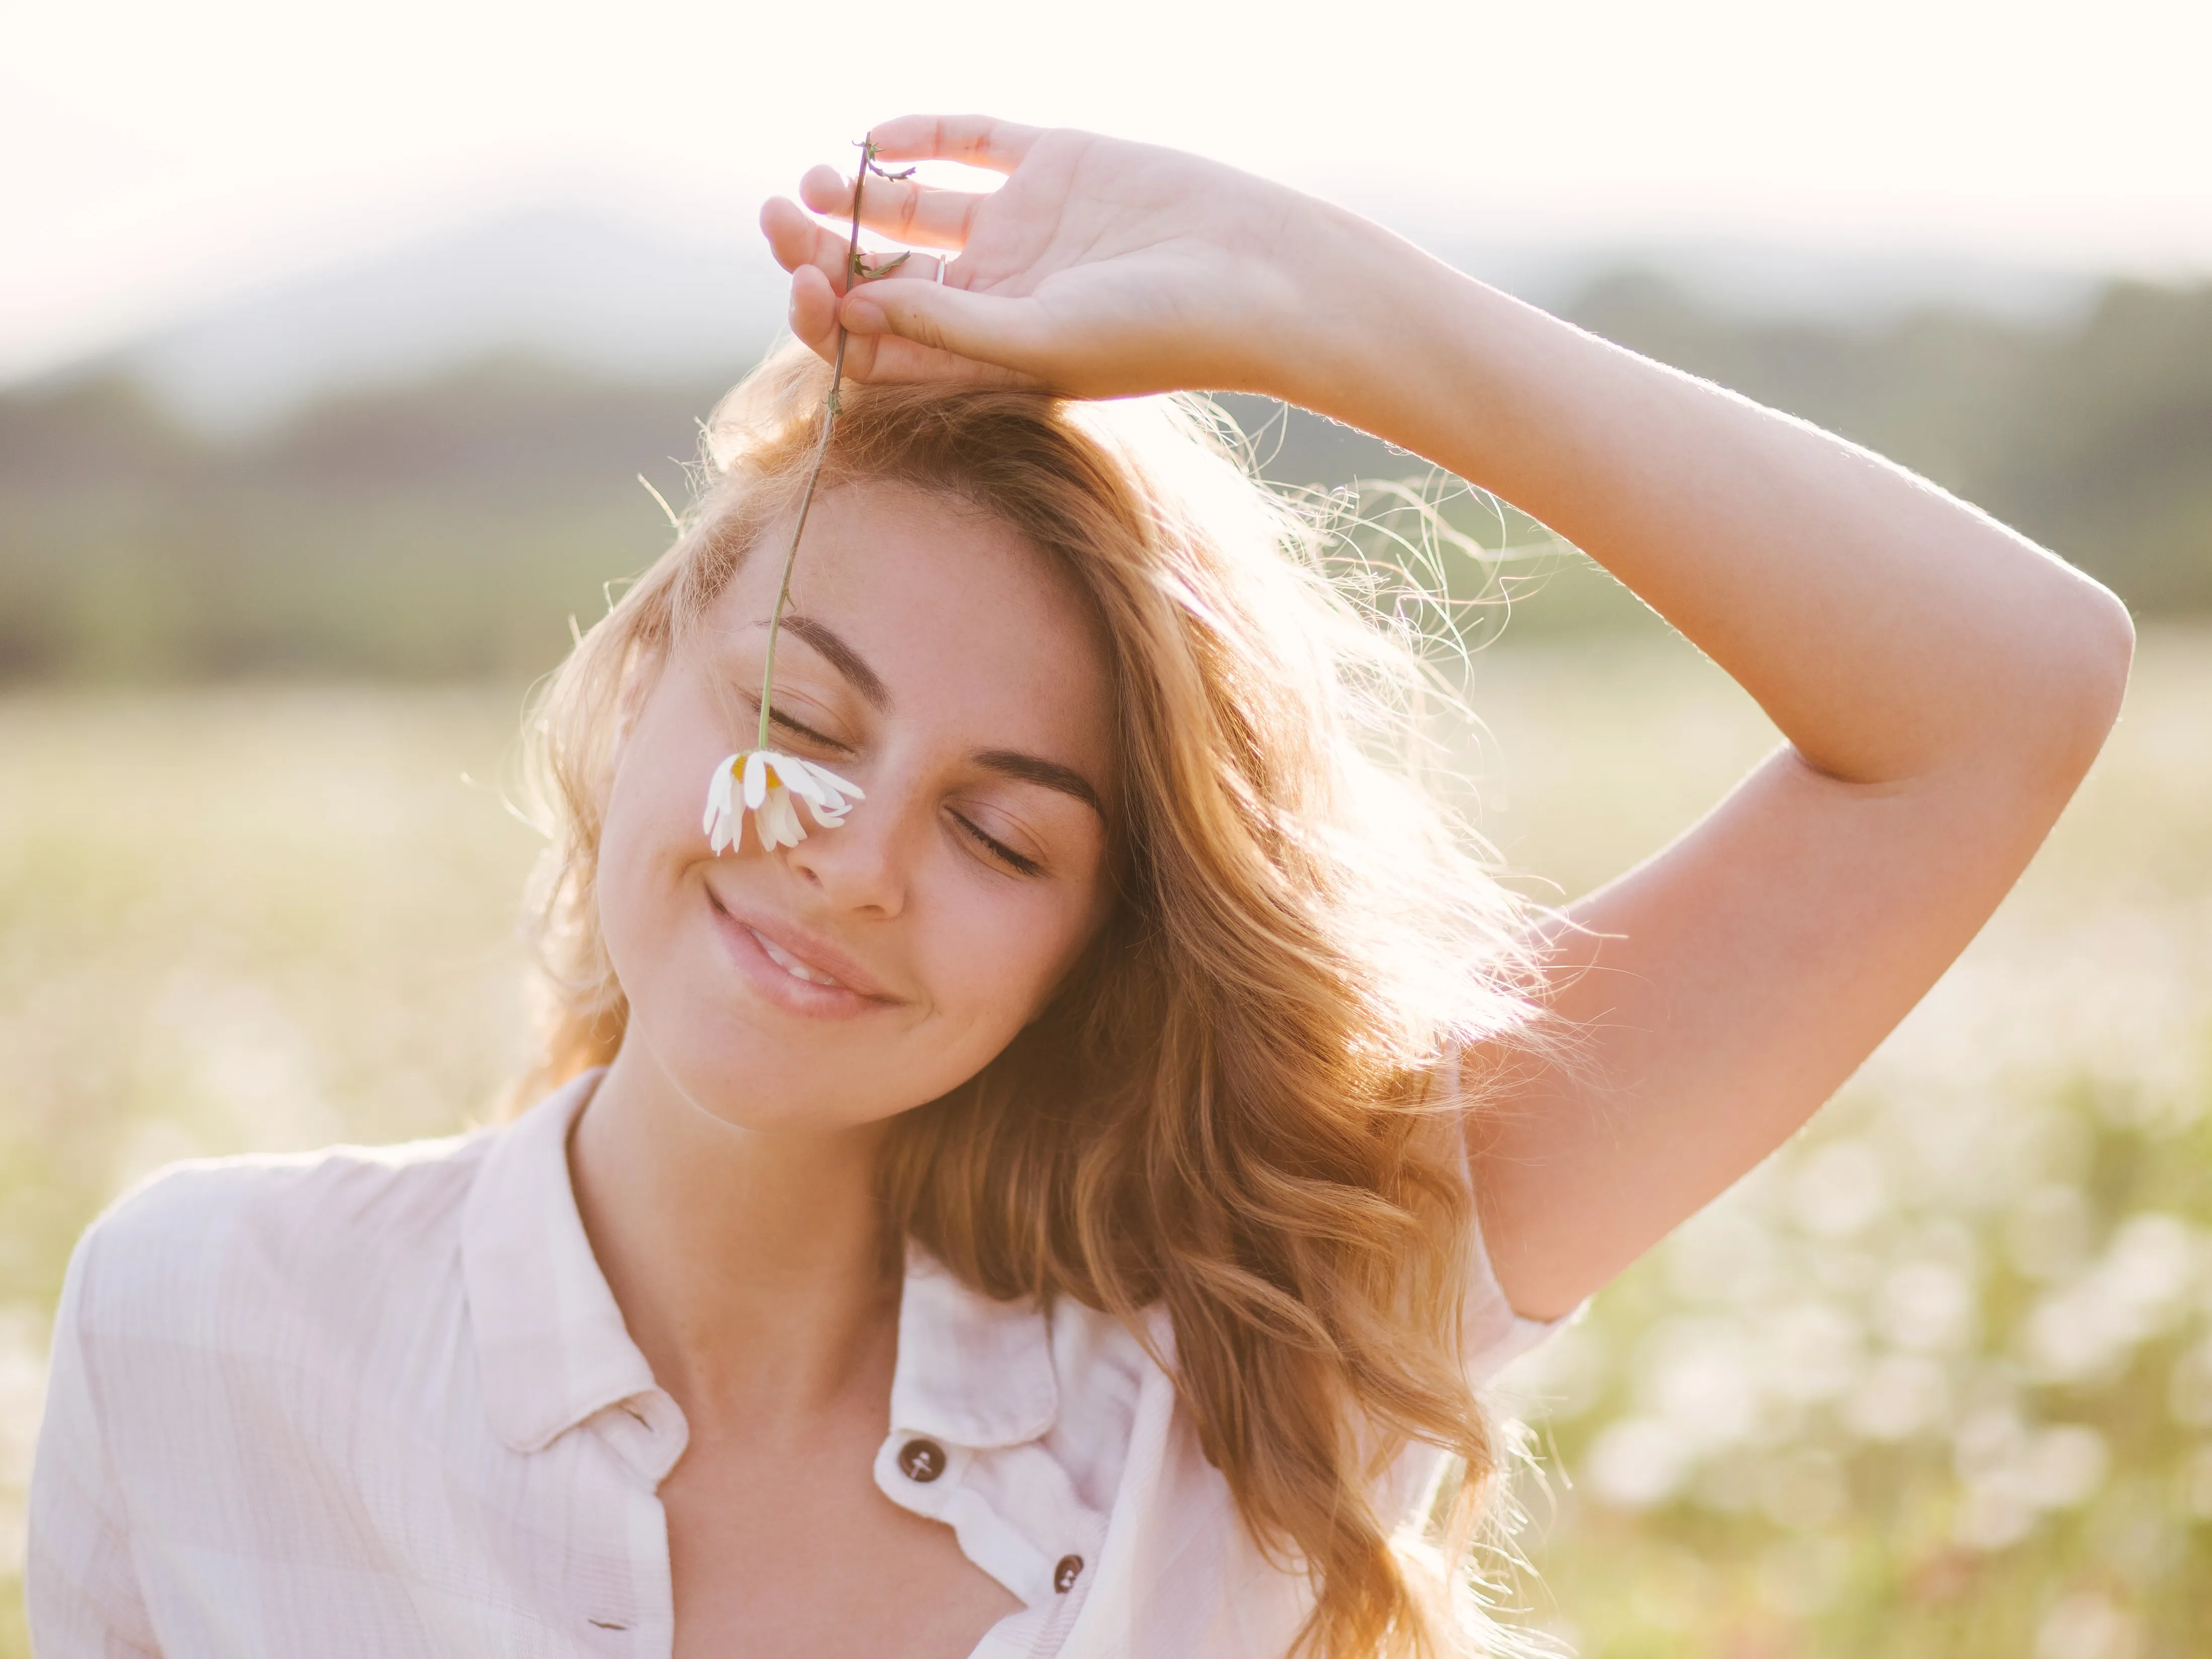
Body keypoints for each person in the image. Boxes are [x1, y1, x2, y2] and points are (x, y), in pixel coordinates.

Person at [27, 115, 2132, 1659]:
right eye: (810, 718)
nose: (852, 855)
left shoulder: (1262, 1348)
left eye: (1002, 829)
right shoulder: (201, 1318)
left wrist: (1312, 296)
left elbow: (2002, 690)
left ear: (1092, 937)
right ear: (645, 678)